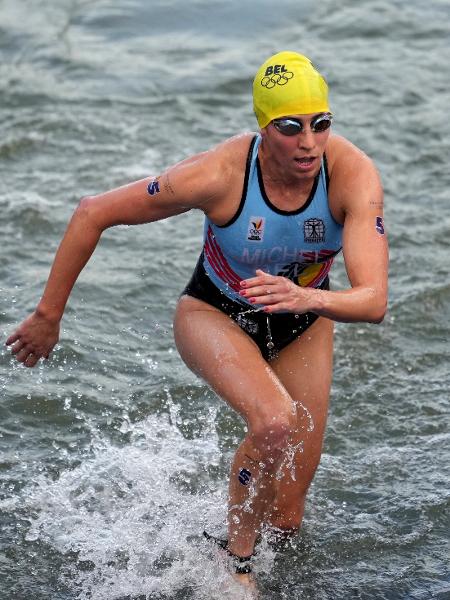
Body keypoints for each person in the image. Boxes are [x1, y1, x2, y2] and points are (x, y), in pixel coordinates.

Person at [6, 51, 388, 578]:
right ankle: (236, 565)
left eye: (321, 124)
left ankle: (248, 540)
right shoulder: (217, 175)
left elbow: (373, 301)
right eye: (290, 127)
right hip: (215, 312)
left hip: (304, 323)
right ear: (262, 127)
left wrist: (310, 299)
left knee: (288, 517)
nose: (308, 143)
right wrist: (49, 315)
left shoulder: (353, 177)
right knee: (275, 422)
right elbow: (93, 212)